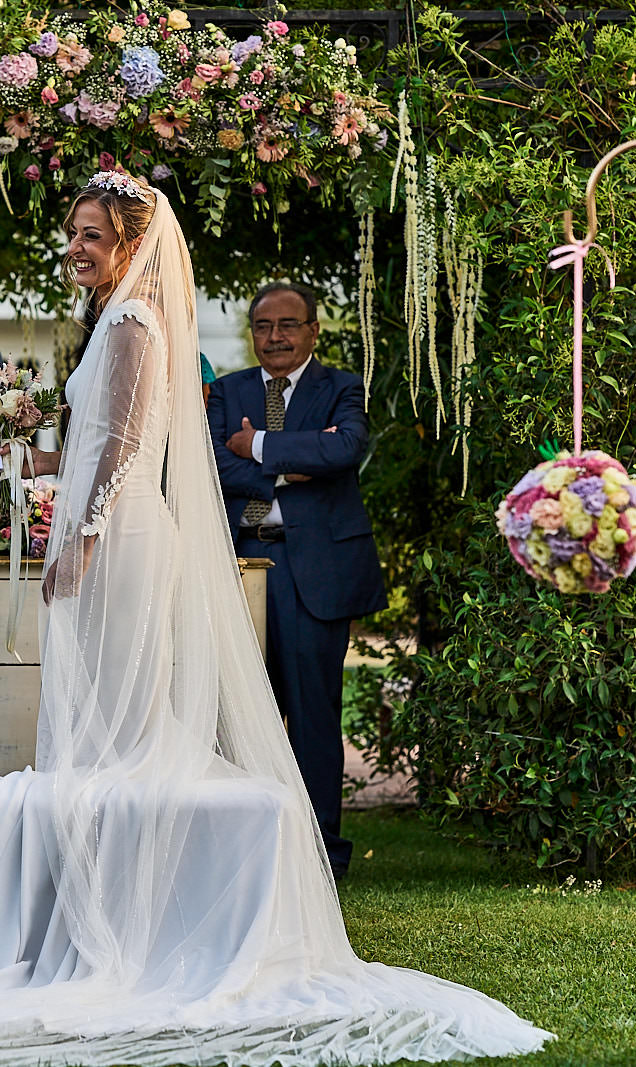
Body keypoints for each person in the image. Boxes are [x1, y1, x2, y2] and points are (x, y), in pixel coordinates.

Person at [0, 173, 550, 1063]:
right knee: (103, 717)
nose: (77, 246)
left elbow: (129, 448)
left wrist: (83, 534)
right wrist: (25, 441)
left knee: (128, 722)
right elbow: (96, 439)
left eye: (93, 234)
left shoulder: (134, 325)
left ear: (131, 245)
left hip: (124, 538)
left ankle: (126, 906)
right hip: (108, 527)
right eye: (74, 231)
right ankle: (101, 889)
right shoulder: (114, 322)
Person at [206, 281, 387, 880]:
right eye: (263, 325)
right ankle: (244, 848)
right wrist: (291, 465)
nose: (275, 336)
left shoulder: (341, 387)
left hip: (316, 574)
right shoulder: (224, 391)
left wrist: (256, 443)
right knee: (235, 714)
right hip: (240, 567)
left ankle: (320, 856)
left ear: (313, 331)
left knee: (312, 717)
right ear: (251, 332)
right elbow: (209, 462)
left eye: (288, 325)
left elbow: (344, 453)